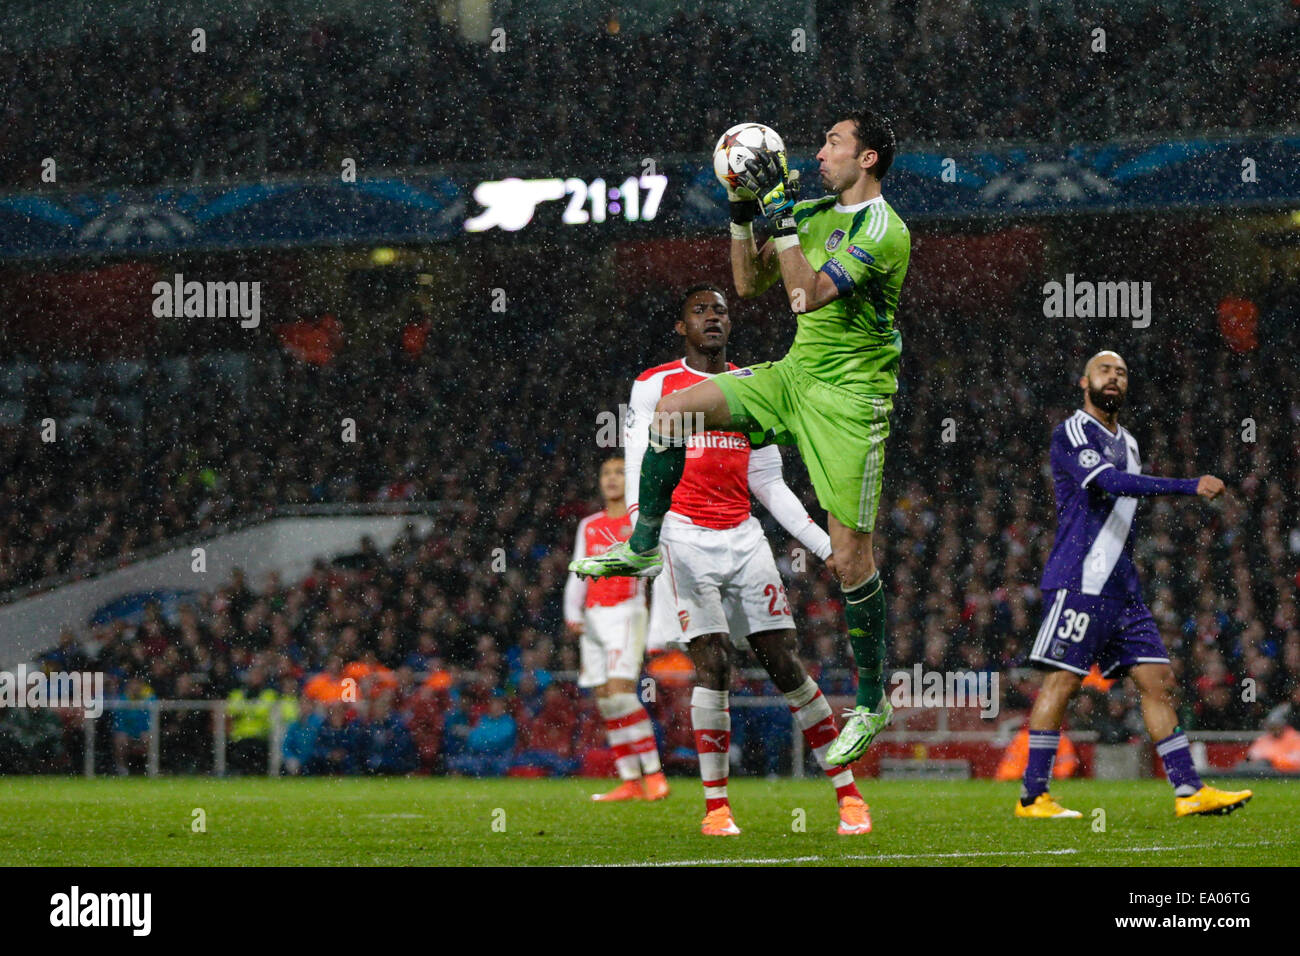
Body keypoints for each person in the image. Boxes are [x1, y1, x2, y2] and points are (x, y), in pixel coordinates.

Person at [571, 109, 910, 771]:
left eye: (834, 144)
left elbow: (806, 298)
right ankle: (644, 549)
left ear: (867, 158)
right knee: (672, 410)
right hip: (793, 375)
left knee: (848, 562)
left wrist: (781, 215)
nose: (820, 154)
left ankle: (872, 701)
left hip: (849, 399)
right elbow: (748, 284)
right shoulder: (812, 210)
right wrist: (740, 211)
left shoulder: (884, 230)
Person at [628, 284, 870, 836]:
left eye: (721, 310)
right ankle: (717, 809)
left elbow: (768, 481)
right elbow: (638, 458)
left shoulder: (752, 387)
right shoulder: (654, 385)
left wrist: (825, 545)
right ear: (680, 327)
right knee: (713, 662)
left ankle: (848, 795)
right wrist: (643, 536)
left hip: (743, 536)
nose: (713, 318)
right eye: (700, 311)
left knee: (785, 663)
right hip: (683, 536)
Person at [1017, 350, 1252, 819]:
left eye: (1122, 373)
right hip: (1080, 579)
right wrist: (1190, 486)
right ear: (1084, 381)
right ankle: (1033, 796)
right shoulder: (1073, 431)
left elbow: (1126, 497)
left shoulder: (1130, 440)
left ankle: (1189, 790)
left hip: (1122, 589)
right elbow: (1111, 484)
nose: (1114, 378)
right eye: (1105, 370)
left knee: (1157, 682)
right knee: (1063, 682)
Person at [563, 455, 669, 801]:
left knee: (622, 694)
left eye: (619, 473)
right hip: (594, 617)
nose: (611, 479)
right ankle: (629, 780)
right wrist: (571, 610)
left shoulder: (641, 522)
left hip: (626, 611)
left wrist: (658, 628)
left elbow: (657, 574)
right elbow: (578, 569)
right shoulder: (589, 525)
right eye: (605, 472)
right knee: (606, 701)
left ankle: (653, 773)